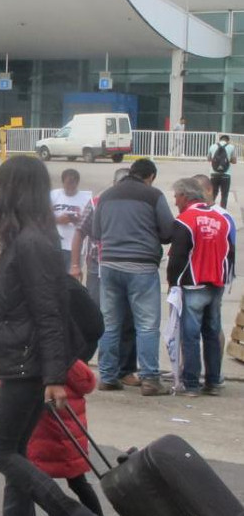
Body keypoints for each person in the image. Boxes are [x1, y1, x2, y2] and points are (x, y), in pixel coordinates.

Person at [0, 155, 107, 516]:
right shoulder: (31, 237)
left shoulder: (31, 243)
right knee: (16, 451)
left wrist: (53, 377)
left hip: (26, 364)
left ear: (14, 190)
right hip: (27, 361)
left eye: (3, 185)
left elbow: (49, 313)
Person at [0, 361, 106, 516]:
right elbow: (87, 382)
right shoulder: (67, 360)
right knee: (77, 482)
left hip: (46, 433)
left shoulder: (45, 356)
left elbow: (6, 381)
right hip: (70, 435)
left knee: (23, 473)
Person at [92, 158, 173, 396]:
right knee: (147, 325)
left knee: (110, 323)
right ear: (150, 177)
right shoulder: (153, 195)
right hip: (141, 267)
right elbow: (168, 232)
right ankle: (150, 380)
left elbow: (96, 232)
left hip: (109, 266)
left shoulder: (106, 196)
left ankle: (107, 377)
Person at [70, 168, 138, 387]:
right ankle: (79, 364)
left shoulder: (138, 203)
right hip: (97, 268)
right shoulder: (98, 202)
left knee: (128, 318)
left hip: (128, 268)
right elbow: (79, 232)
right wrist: (74, 265)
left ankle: (124, 370)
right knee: (96, 317)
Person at [168, 178, 235, 397]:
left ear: (185, 197)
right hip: (216, 284)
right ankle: (214, 381)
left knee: (190, 335)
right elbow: (230, 252)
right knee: (212, 332)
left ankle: (192, 384)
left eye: (177, 196)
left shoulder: (185, 220)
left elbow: (177, 256)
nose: (175, 201)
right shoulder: (222, 217)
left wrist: (173, 283)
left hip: (193, 284)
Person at [51, 169, 92, 272]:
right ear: (63, 182)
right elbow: (42, 218)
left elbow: (91, 222)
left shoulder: (86, 197)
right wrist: (57, 220)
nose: (69, 187)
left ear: (77, 183)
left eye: (72, 184)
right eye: (67, 184)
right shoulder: (53, 195)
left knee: (72, 280)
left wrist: (80, 220)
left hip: (76, 247)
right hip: (56, 245)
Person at [208, 134, 237, 209]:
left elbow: (208, 159)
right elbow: (234, 161)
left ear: (220, 140)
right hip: (226, 175)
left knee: (213, 193)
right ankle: (223, 210)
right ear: (228, 140)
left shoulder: (213, 146)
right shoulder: (231, 147)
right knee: (224, 195)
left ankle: (210, 209)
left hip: (214, 174)